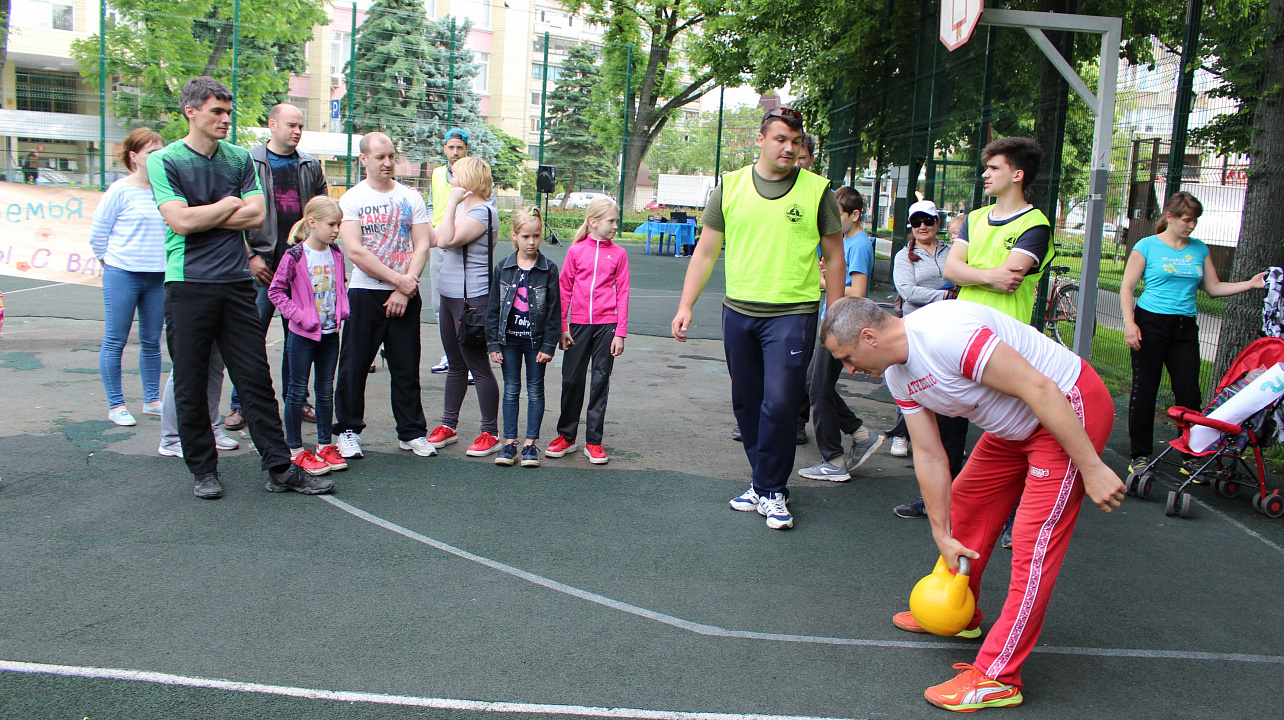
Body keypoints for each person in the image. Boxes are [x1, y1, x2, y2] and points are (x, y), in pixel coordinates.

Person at [821, 296, 1125, 712]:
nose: (849, 370)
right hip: (1015, 425)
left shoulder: (946, 336)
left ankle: (999, 677)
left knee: (1031, 544)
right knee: (966, 505)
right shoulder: (898, 376)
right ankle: (959, 609)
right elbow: (928, 454)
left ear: (870, 336)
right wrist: (941, 534)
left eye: (848, 357)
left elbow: (1040, 388)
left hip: (1068, 410)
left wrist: (1091, 465)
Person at [148, 76, 330, 499]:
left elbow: (255, 216)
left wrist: (210, 212)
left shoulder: (237, 159)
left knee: (254, 379)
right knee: (192, 382)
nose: (225, 119)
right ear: (190, 112)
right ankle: (204, 470)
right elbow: (180, 222)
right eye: (217, 111)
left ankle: (280, 470)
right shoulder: (166, 161)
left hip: (235, 284)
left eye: (228, 112)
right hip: (188, 284)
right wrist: (230, 204)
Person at [672, 107, 846, 530]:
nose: (790, 147)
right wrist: (685, 304)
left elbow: (835, 255)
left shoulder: (817, 190)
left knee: (782, 404)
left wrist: (836, 315)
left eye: (796, 140)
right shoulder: (729, 187)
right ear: (762, 140)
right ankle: (762, 481)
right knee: (746, 403)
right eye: (781, 138)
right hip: (740, 311)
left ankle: (772, 489)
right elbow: (707, 251)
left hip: (793, 312)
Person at [1121, 191, 1265, 473]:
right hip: (1150, 323)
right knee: (1145, 390)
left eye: (1195, 221)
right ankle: (1140, 455)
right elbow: (1127, 288)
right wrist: (1130, 323)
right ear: (1170, 217)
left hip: (1184, 327)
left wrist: (1249, 284)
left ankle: (1192, 455)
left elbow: (1213, 288)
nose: (1191, 225)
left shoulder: (1199, 249)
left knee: (1189, 393)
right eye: (1187, 220)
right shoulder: (1147, 246)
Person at [225, 103, 329, 431]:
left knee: (298, 339)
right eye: (290, 125)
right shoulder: (248, 161)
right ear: (272, 124)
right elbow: (232, 214)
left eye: (301, 125)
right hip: (261, 268)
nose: (296, 131)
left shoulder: (310, 166)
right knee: (248, 340)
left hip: (297, 268)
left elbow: (322, 211)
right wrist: (251, 257)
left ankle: (297, 401)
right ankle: (241, 404)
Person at [332, 132, 434, 460]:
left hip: (406, 292)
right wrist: (398, 282)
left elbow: (422, 244)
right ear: (363, 160)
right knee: (355, 364)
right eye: (380, 157)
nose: (388, 162)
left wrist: (406, 287)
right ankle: (347, 430)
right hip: (365, 293)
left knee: (406, 365)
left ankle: (412, 432)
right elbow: (355, 251)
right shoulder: (352, 199)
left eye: (391, 155)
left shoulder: (411, 197)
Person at [887, 200, 969, 520]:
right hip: (920, 338)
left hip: (951, 336)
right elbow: (908, 291)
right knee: (925, 417)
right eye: (916, 221)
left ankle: (956, 496)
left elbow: (967, 279)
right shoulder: (904, 256)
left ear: (938, 221)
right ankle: (931, 496)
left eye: (929, 220)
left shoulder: (953, 250)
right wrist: (947, 295)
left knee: (953, 416)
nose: (923, 226)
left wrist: (950, 294)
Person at [798, 186, 883, 481]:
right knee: (813, 383)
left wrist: (825, 284)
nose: (830, 222)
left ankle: (833, 460)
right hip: (833, 322)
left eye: (837, 215)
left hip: (843, 326)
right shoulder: (845, 240)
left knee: (818, 387)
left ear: (855, 215)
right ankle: (860, 433)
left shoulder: (858, 244)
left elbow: (857, 291)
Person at [268, 196, 350, 476]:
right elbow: (276, 291)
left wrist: (343, 308)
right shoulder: (295, 256)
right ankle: (296, 450)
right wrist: (300, 315)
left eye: (338, 224)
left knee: (325, 390)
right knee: (296, 391)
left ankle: (325, 445)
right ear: (312, 223)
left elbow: (340, 285)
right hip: (302, 336)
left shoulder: (336, 252)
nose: (336, 229)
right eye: (331, 224)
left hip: (330, 334)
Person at [545, 197, 630, 465]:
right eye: (611, 221)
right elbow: (565, 289)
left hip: (607, 327)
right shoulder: (576, 251)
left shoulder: (619, 254)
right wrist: (562, 327)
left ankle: (593, 441)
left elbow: (623, 293)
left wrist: (620, 332)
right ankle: (566, 436)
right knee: (572, 380)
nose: (615, 226)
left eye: (616, 221)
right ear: (593, 222)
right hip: (578, 326)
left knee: (599, 382)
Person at [91, 127, 167, 427]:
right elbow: (98, 234)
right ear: (134, 157)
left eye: (161, 152)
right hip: (122, 273)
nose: (157, 158)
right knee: (115, 339)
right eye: (151, 152)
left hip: (159, 277)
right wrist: (111, 264)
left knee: (152, 340)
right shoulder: (120, 190)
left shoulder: (167, 191)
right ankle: (116, 405)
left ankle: (151, 400)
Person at [427, 156, 501, 456]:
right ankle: (448, 425)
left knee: (478, 366)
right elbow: (434, 237)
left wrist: (452, 204)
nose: (450, 181)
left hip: (472, 299)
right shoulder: (462, 208)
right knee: (455, 363)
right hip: (449, 295)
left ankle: (490, 431)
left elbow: (446, 239)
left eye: (454, 176)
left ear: (468, 180)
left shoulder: (483, 211)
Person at [944, 137, 1053, 324]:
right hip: (964, 326)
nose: (985, 174)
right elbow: (950, 270)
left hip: (1005, 331)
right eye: (987, 168)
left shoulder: (1035, 225)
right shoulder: (974, 217)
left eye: (994, 168)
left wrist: (967, 273)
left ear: (1017, 175)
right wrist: (988, 276)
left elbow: (1006, 282)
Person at [486, 207, 561, 468]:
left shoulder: (548, 269)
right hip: (509, 342)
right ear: (515, 236)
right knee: (510, 390)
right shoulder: (503, 268)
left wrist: (549, 344)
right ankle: (509, 444)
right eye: (526, 236)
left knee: (535, 390)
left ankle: (530, 445)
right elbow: (493, 308)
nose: (532, 242)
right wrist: (493, 342)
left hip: (535, 343)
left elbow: (554, 311)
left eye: (537, 236)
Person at [428, 128, 472, 376]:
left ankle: (470, 360)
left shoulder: (471, 174)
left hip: (462, 240)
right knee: (439, 303)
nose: (455, 152)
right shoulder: (436, 174)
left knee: (465, 303)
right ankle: (450, 354)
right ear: (444, 148)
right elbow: (435, 206)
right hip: (439, 241)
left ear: (466, 149)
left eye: (459, 147)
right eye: (450, 147)